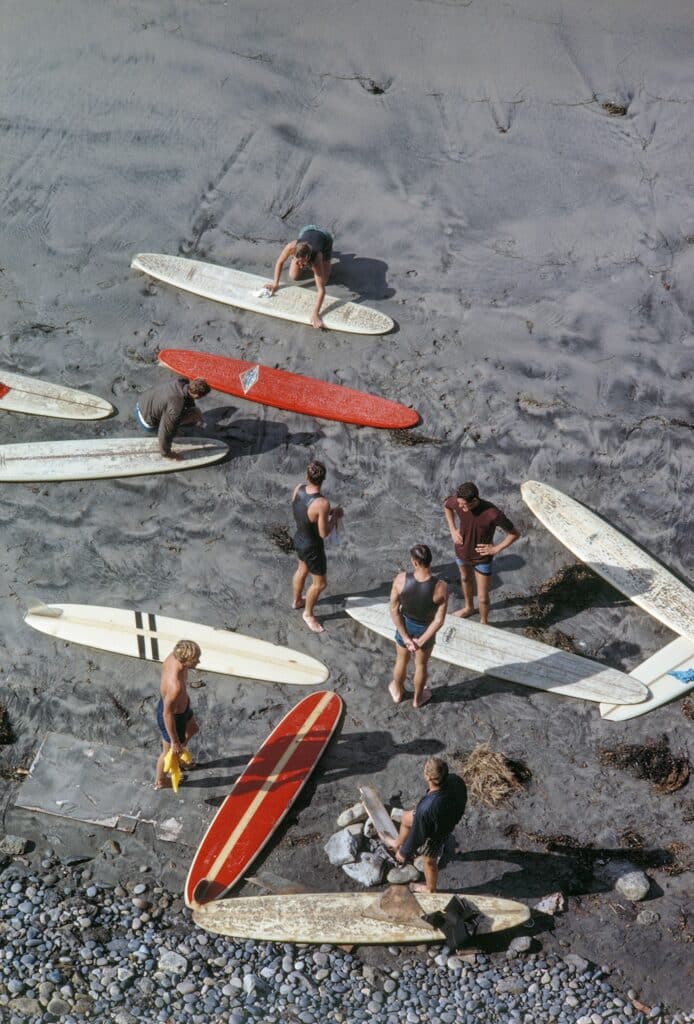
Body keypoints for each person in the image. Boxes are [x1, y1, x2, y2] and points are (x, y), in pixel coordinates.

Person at [384, 757, 467, 893]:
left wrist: (404, 852)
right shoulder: (455, 780)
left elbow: (418, 835)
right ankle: (396, 842)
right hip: (447, 814)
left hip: (438, 831)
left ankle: (430, 888)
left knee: (429, 861)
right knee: (405, 818)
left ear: (428, 777)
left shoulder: (425, 811)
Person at [443, 481, 520, 623]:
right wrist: (453, 530)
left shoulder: (492, 513)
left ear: (474, 501)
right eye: (459, 503)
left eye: (463, 505)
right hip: (461, 552)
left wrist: (495, 549)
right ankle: (468, 608)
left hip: (482, 558)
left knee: (483, 597)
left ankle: (484, 622)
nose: (460, 507)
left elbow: (514, 534)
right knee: (465, 579)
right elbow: (447, 505)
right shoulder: (459, 502)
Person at [389, 544, 448, 708]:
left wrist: (406, 638)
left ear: (414, 563)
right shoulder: (441, 587)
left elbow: (394, 611)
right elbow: (439, 620)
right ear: (430, 561)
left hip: (405, 625)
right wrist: (421, 641)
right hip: (425, 629)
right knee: (421, 665)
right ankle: (417, 699)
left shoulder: (400, 579)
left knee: (401, 660)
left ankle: (398, 692)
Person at [291, 459, 343, 634]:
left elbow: (303, 510)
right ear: (324, 479)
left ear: (307, 476)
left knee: (301, 570)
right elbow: (323, 533)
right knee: (320, 584)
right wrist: (334, 517)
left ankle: (297, 600)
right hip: (313, 547)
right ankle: (308, 614)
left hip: (299, 538)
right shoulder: (322, 503)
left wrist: (325, 513)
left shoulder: (298, 489)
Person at [155, 640, 201, 789]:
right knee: (167, 751)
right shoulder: (175, 688)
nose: (198, 662)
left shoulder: (173, 656)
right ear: (184, 661)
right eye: (194, 660)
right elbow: (166, 714)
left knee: (193, 728)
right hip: (174, 717)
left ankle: (180, 757)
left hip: (182, 707)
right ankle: (161, 781)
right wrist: (174, 741)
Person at [268, 225, 334, 328]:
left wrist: (315, 313)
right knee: (293, 276)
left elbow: (321, 290)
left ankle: (322, 260)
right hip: (307, 230)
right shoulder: (291, 247)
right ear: (293, 254)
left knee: (324, 280)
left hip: (324, 238)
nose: (300, 265)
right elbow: (280, 262)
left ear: (308, 258)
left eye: (303, 263)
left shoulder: (316, 257)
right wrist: (275, 283)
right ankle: (300, 260)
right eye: (297, 262)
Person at [135, 376, 211, 459]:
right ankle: (168, 436)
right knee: (173, 429)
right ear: (197, 395)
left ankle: (174, 423)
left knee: (195, 411)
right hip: (146, 421)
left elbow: (187, 399)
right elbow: (165, 432)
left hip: (141, 403)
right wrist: (167, 454)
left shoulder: (181, 380)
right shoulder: (175, 409)